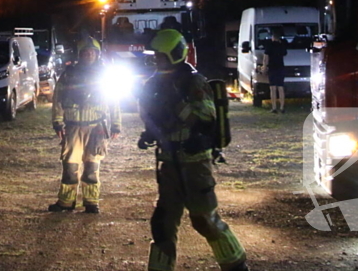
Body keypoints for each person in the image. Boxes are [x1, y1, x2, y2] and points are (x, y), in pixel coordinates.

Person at [140, 29, 249, 271]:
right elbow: (152, 116)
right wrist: (149, 132)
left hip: (194, 161)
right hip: (168, 162)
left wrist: (176, 104)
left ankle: (236, 265)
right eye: (155, 55)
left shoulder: (193, 81)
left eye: (160, 55)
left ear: (175, 54)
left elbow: (205, 117)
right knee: (163, 224)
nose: (156, 60)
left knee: (204, 219)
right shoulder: (153, 83)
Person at [49, 37, 122, 214]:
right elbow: (58, 98)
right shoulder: (68, 74)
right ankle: (66, 202)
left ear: (97, 54)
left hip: (96, 126)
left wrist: (116, 124)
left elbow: (114, 101)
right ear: (80, 54)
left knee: (91, 166)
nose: (89, 54)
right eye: (85, 52)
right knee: (70, 167)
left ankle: (91, 202)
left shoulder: (105, 75)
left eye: (92, 52)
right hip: (73, 126)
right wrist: (58, 122)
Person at [261, 30, 287, 114]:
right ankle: (282, 107)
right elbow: (284, 53)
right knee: (281, 88)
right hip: (280, 67)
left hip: (272, 68)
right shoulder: (282, 45)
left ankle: (274, 107)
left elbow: (266, 57)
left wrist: (264, 66)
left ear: (273, 37)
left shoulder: (269, 45)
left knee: (273, 88)